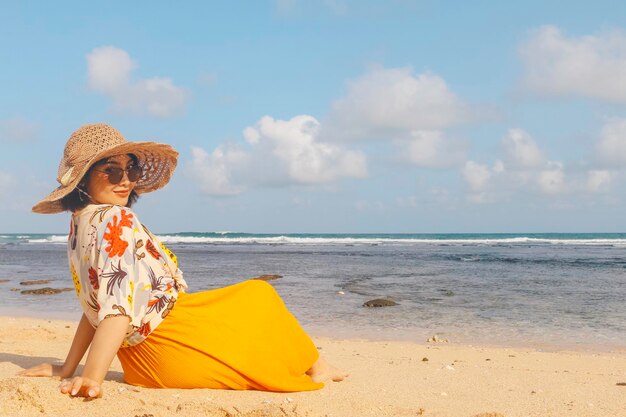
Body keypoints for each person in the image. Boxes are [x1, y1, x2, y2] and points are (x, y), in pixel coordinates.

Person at [18, 123, 346, 398]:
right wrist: (93, 378)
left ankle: (313, 363)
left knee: (244, 316)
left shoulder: (79, 224)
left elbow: (95, 307)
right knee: (259, 296)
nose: (125, 180)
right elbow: (115, 308)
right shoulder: (117, 219)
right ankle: (317, 365)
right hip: (170, 341)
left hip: (142, 366)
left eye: (131, 168)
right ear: (85, 177)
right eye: (111, 170)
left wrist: (69, 367)